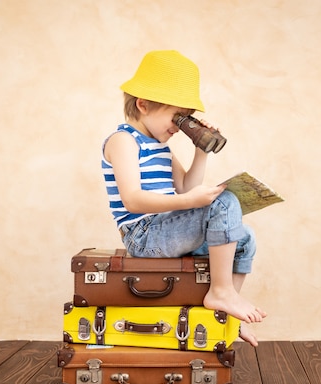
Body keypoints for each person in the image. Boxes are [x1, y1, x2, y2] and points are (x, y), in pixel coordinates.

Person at [101, 50, 266, 346]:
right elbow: (133, 200)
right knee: (224, 203)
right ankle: (221, 293)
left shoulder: (160, 147)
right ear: (143, 104)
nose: (179, 126)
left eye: (185, 119)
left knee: (245, 238)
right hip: (144, 235)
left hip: (167, 230)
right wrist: (192, 202)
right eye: (176, 116)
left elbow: (187, 187)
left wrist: (201, 150)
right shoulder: (123, 141)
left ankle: (225, 313)